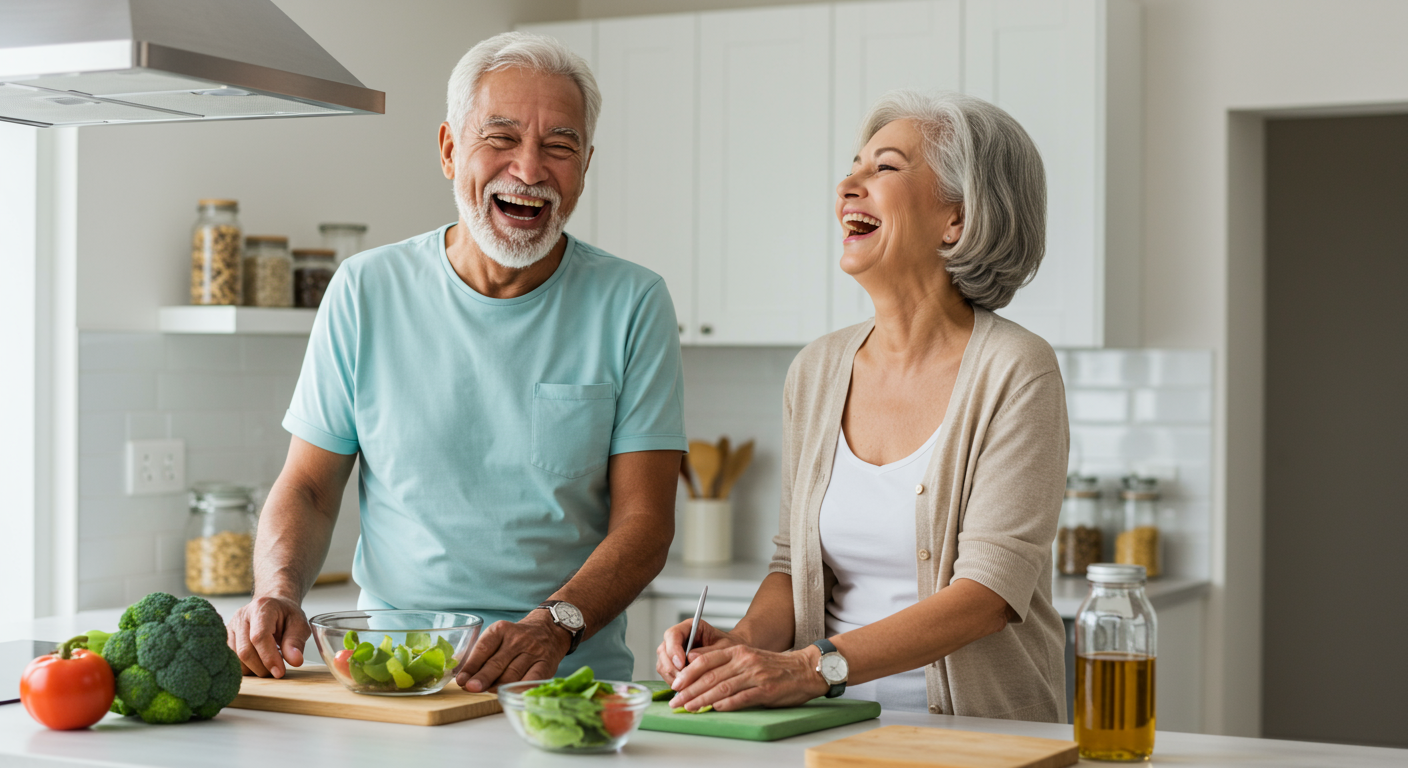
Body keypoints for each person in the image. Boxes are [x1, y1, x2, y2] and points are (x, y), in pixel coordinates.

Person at [227, 31, 687, 692]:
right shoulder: (364, 288)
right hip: (391, 673)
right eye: (501, 137)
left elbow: (644, 525)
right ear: (449, 149)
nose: (529, 170)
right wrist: (275, 590)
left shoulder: (633, 302)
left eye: (559, 147)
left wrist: (553, 627)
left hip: (563, 685)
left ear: (585, 167)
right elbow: (308, 487)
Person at [657, 90, 1068, 722]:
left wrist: (807, 668)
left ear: (956, 219)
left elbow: (987, 595)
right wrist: (741, 645)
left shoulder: (1016, 369)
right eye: (853, 167)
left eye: (885, 167)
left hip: (973, 736)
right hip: (830, 733)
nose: (848, 185)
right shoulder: (817, 370)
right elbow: (794, 566)